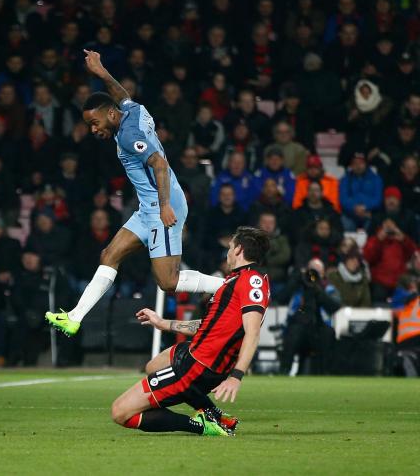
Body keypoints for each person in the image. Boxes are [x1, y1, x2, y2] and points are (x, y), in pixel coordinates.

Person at [46, 50, 221, 337]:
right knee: (109, 255)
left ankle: (229, 286)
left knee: (168, 281)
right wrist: (101, 72)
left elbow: (160, 164)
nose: (93, 129)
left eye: (95, 123)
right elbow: (122, 92)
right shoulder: (133, 111)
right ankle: (74, 317)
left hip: (162, 205)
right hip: (149, 205)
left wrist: (164, 207)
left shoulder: (128, 136)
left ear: (111, 114)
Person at [110, 226, 271, 436]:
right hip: (196, 353)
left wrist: (236, 376)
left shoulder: (252, 281)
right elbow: (209, 326)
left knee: (120, 412)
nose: (228, 252)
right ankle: (213, 413)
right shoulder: (235, 280)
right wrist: (163, 323)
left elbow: (252, 332)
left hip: (199, 366)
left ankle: (202, 425)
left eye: (230, 247)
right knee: (153, 366)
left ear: (239, 249)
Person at [277, 258, 341, 375]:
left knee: (328, 333)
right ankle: (284, 371)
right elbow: (280, 298)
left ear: (323, 274)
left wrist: (318, 291)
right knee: (294, 331)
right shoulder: (298, 285)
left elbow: (335, 306)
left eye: (317, 272)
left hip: (318, 327)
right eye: (311, 271)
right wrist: (295, 280)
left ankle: (326, 372)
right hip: (299, 326)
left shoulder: (328, 288)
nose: (313, 276)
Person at [363, 218, 418, 304]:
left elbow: (414, 254)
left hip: (400, 284)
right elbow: (368, 256)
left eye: (391, 225)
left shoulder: (401, 240)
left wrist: (403, 238)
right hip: (380, 284)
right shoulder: (376, 239)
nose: (389, 227)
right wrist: (379, 238)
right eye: (387, 225)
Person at [339, 152, 383, 231]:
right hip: (350, 214)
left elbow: (378, 199)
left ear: (366, 164)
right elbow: (343, 199)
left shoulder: (376, 179)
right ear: (351, 165)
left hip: (369, 213)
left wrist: (365, 207)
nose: (358, 166)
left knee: (374, 224)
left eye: (361, 163)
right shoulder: (345, 179)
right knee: (345, 223)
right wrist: (354, 208)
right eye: (355, 163)